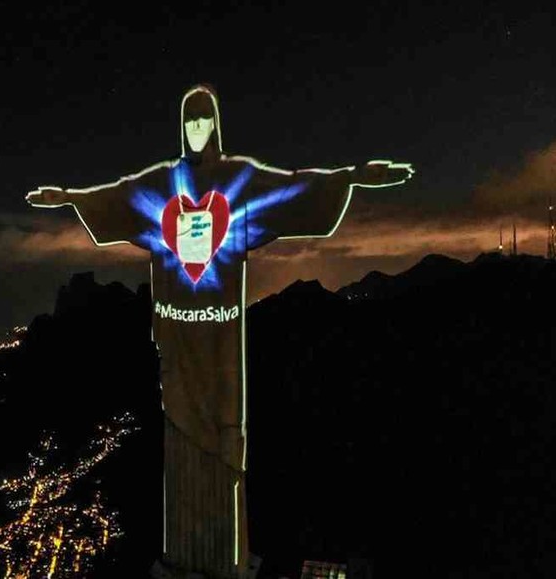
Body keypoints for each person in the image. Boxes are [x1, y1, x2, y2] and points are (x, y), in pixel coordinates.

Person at [26, 84, 412, 578]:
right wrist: (69, 198)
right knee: (180, 428)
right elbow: (118, 196)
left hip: (222, 334)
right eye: (189, 121)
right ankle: (185, 555)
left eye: (203, 121)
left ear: (215, 125)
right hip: (177, 334)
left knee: (226, 432)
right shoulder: (163, 184)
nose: (196, 130)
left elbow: (291, 189)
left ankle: (225, 556)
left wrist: (352, 178)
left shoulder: (238, 181)